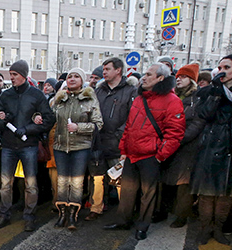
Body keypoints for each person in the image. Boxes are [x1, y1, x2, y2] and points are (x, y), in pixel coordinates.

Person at [104, 63, 185, 240]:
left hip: (151, 155)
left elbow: (175, 134)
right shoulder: (140, 98)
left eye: (149, 74)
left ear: (160, 78)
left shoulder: (173, 101)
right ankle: (123, 221)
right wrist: (124, 149)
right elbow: (130, 127)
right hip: (132, 154)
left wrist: (160, 155)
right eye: (145, 74)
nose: (144, 77)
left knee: (148, 193)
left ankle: (142, 226)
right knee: (127, 190)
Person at [191, 55, 232, 245]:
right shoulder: (209, 92)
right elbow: (204, 114)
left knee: (227, 195)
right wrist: (216, 92)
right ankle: (205, 229)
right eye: (220, 66)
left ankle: (218, 229)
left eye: (227, 67)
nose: (222, 70)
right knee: (207, 192)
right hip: (211, 145)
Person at [0, 60, 55, 232]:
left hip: (29, 145)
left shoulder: (36, 95)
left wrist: (27, 129)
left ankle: (30, 216)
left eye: (14, 75)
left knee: (31, 183)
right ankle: (4, 214)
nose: (11, 78)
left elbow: (49, 119)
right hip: (8, 146)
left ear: (24, 75)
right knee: (5, 183)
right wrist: (2, 119)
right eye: (10, 74)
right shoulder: (6, 95)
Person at [50, 68, 103, 230]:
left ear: (82, 80)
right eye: (69, 77)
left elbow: (98, 124)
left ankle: (73, 216)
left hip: (81, 147)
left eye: (76, 77)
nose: (72, 79)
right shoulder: (60, 99)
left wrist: (78, 127)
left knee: (77, 182)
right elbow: (48, 117)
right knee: (62, 181)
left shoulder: (89, 98)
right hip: (60, 146)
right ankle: (62, 215)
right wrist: (36, 117)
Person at [86, 57, 136, 221]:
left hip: (118, 144)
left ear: (118, 70)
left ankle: (125, 212)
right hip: (99, 142)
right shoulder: (99, 91)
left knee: (120, 179)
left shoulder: (130, 91)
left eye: (107, 69)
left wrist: (119, 135)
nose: (104, 72)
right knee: (97, 178)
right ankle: (96, 207)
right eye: (104, 69)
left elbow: (132, 118)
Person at [157, 63, 205, 228]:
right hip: (168, 143)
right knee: (165, 180)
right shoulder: (171, 96)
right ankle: (162, 211)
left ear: (192, 80)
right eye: (178, 77)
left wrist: (178, 139)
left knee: (183, 183)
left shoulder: (198, 98)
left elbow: (198, 123)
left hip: (187, 146)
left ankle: (181, 215)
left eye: (183, 77)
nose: (179, 80)